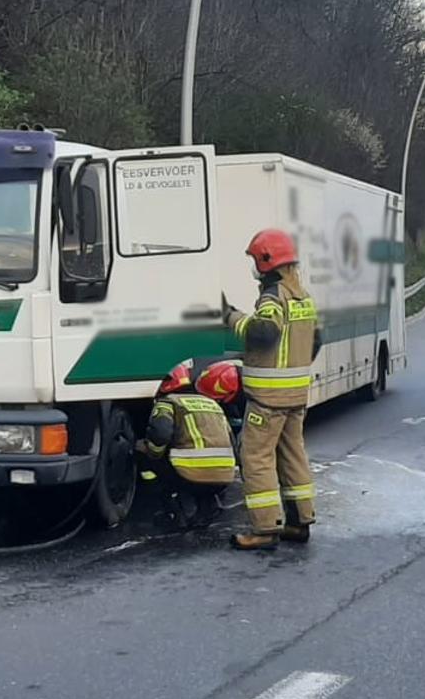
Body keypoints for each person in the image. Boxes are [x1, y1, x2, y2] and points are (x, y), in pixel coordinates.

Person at [224, 229, 320, 550]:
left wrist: (231, 317)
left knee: (256, 457)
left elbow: (264, 332)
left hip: (268, 399)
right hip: (296, 396)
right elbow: (315, 341)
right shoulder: (302, 296)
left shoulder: (272, 296)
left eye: (254, 259)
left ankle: (265, 529)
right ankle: (299, 522)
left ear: (267, 261)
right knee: (293, 455)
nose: (253, 266)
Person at [136, 359, 241, 530]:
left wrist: (153, 454)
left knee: (142, 452)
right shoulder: (212, 404)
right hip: (224, 478)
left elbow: (160, 434)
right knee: (202, 472)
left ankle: (174, 513)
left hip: (189, 477)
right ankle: (208, 506)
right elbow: (232, 443)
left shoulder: (168, 403)